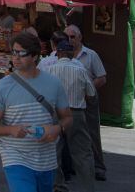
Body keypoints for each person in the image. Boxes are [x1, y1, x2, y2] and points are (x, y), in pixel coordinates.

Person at [0, 32, 73, 192]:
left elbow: (67, 117)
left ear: (34, 56)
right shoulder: (2, 87)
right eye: (13, 52)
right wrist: (11, 130)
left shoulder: (53, 83)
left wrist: (57, 128)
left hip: (46, 158)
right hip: (15, 157)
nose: (16, 58)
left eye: (21, 53)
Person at [45, 41, 97, 192]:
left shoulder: (49, 70)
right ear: (72, 54)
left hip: (55, 114)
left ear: (58, 54)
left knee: (54, 150)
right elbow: (91, 94)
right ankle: (88, 188)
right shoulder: (80, 70)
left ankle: (58, 184)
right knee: (82, 153)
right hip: (76, 114)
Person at [64, 24, 107, 181]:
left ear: (80, 37)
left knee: (91, 132)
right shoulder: (62, 55)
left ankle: (98, 167)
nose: (69, 40)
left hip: (87, 99)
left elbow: (102, 77)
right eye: (66, 37)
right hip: (69, 100)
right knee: (68, 133)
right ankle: (73, 166)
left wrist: (87, 90)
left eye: (72, 37)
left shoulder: (90, 55)